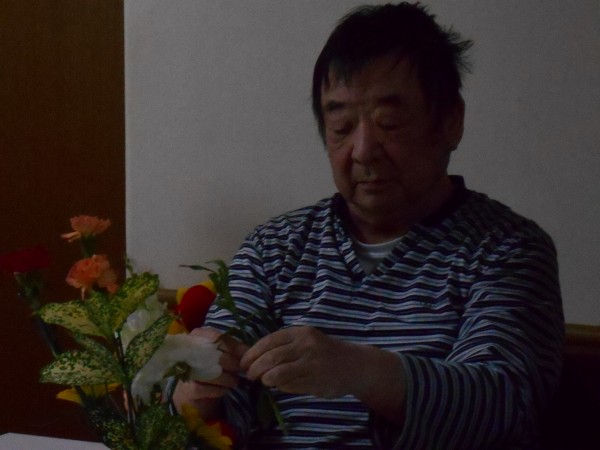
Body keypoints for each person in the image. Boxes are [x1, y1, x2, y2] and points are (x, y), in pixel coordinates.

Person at [174, 3, 564, 449]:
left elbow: (504, 406)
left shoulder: (507, 250)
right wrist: (196, 384)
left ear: (450, 122)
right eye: (341, 126)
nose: (363, 150)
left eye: (389, 123)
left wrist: (358, 370)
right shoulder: (274, 248)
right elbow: (204, 403)